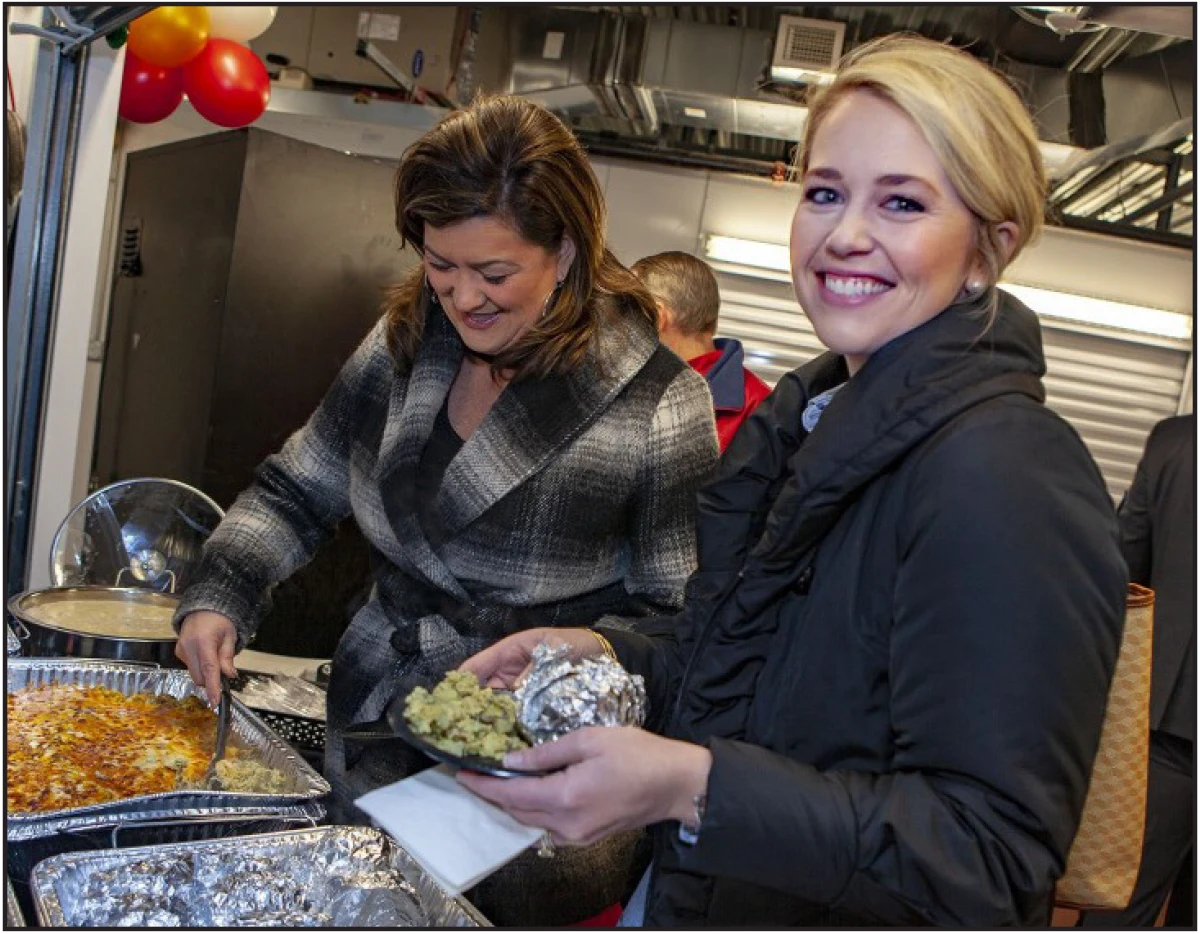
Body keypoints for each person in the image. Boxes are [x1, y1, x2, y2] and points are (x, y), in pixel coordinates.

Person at [457, 35, 1128, 926]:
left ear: (987, 248)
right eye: (824, 192)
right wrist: (611, 652)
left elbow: (988, 853)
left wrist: (695, 787)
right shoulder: (806, 428)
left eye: (902, 202)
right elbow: (760, 679)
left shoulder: (1004, 476)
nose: (845, 233)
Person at [173, 94, 720, 925]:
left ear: (566, 248)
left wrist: (578, 667)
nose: (463, 298)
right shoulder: (402, 341)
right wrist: (224, 591)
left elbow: (678, 628)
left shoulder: (655, 403)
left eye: (494, 272)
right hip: (372, 731)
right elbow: (296, 489)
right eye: (440, 264)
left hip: (532, 794)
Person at [1079, 413, 1193, 927]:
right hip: (1166, 721)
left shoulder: (1178, 441)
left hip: (1165, 721)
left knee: (1118, 910)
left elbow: (1122, 574)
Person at [631, 251, 772, 451]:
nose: (622, 329)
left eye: (627, 315)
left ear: (658, 317)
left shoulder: (762, 411)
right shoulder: (633, 390)